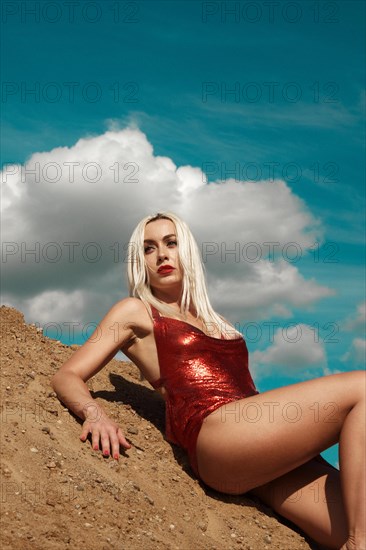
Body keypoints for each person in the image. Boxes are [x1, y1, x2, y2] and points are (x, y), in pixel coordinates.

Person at [51, 212, 365, 550]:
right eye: (148, 248)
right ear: (139, 261)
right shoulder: (135, 311)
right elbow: (67, 375)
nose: (162, 255)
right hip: (216, 435)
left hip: (257, 454)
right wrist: (95, 414)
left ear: (187, 250)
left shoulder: (219, 321)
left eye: (171, 243)